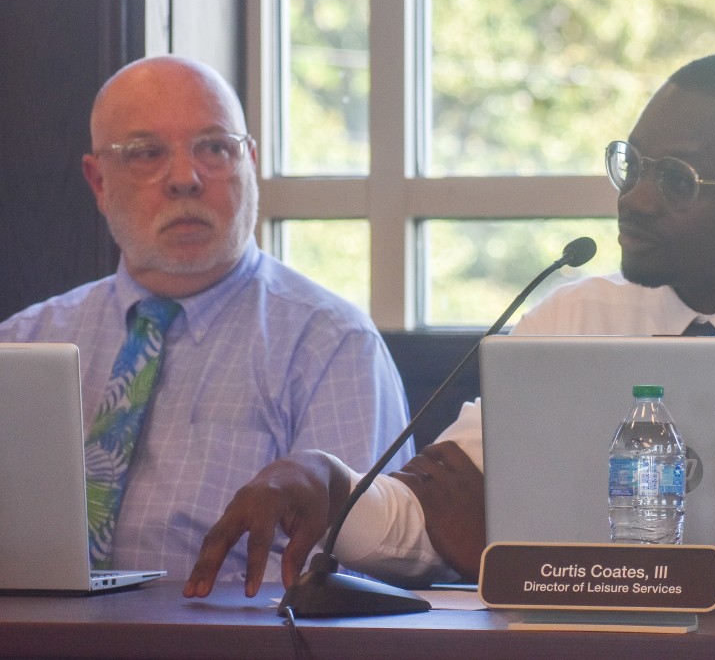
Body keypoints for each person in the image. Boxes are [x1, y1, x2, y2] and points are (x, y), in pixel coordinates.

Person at [184, 50, 715, 598]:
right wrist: (337, 488)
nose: (634, 197)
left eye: (677, 180)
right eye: (633, 163)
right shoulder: (577, 310)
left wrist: (516, 536)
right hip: (627, 637)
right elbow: (435, 511)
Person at [0, 55, 412, 590]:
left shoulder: (332, 346)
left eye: (215, 148)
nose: (185, 179)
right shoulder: (24, 343)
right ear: (98, 181)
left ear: (251, 163)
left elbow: (352, 586)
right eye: (147, 153)